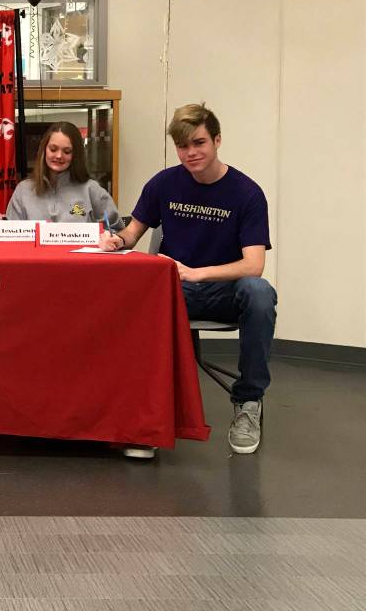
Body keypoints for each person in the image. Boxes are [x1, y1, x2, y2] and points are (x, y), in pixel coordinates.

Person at [99, 104, 276, 454]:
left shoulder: (247, 193)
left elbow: (254, 265)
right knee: (132, 295)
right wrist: (116, 240)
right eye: (183, 146)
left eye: (199, 143)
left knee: (259, 293)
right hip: (175, 290)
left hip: (224, 291)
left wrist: (197, 273)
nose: (191, 153)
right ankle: (141, 415)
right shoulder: (164, 183)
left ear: (217, 141)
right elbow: (132, 233)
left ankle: (248, 403)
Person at [7, 121, 124, 229]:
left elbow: (117, 232)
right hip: (33, 252)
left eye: (67, 151)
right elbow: (9, 236)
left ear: (75, 155)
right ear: (44, 150)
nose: (59, 156)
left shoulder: (92, 190)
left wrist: (110, 238)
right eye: (53, 149)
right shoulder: (23, 190)